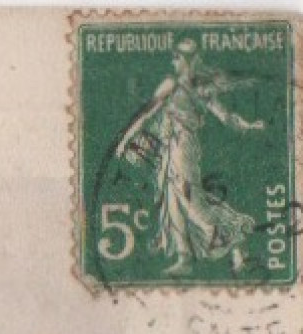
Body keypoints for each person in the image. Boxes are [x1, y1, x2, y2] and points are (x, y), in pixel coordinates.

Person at [113, 40, 266, 276]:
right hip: (169, 147)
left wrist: (249, 125)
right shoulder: (175, 84)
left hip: (183, 147)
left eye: (177, 57)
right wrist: (126, 140)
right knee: (172, 201)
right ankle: (184, 257)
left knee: (192, 203)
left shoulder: (194, 88)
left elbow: (225, 117)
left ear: (187, 60)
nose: (173, 61)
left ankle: (233, 239)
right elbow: (147, 114)